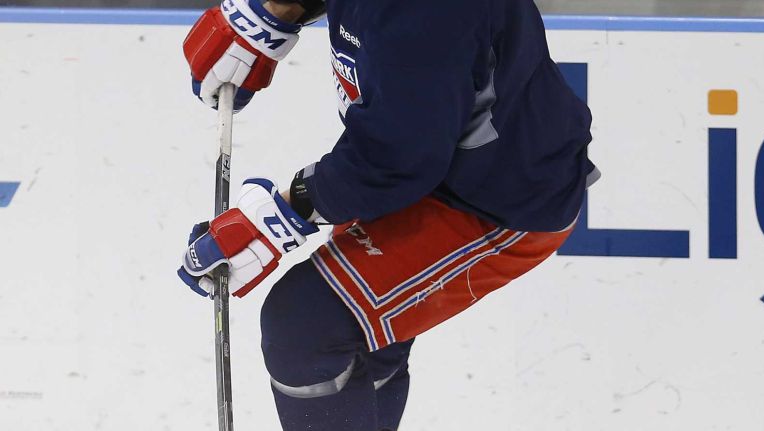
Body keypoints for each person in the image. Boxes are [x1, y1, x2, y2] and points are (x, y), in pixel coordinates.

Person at [177, 0, 599, 429]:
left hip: (496, 196)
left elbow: (396, 158)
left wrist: (282, 214)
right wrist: (280, 10)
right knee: (358, 342)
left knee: (308, 328)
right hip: (434, 156)